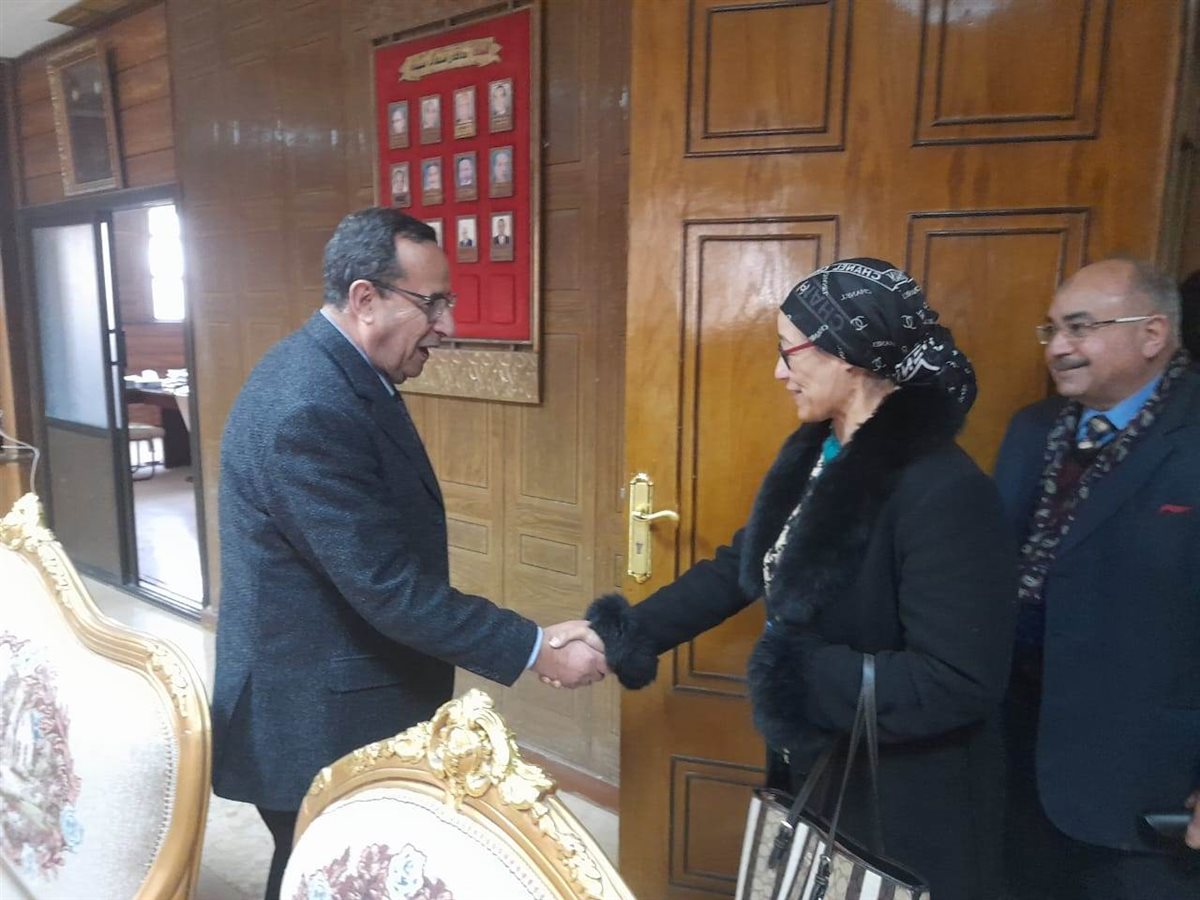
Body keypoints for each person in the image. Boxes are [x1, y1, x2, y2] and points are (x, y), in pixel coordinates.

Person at [586, 259, 1017, 899]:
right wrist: (622, 635)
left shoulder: (945, 491)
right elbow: (744, 563)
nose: (778, 372)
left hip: (903, 801)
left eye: (789, 351)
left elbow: (957, 681)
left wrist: (794, 675)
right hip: (825, 763)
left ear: (850, 357)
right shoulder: (821, 449)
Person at [212, 208, 605, 900]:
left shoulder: (331, 371)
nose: (447, 325)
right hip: (313, 717)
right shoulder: (309, 404)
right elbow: (388, 588)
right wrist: (534, 647)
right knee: (320, 871)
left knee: (321, 870)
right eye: (433, 303)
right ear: (365, 299)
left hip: (325, 697)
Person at [994, 258, 1200, 899]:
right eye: (1052, 329)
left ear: (1153, 333)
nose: (1058, 347)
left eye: (1080, 328)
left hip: (1145, 783)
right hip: (1016, 763)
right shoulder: (1031, 430)